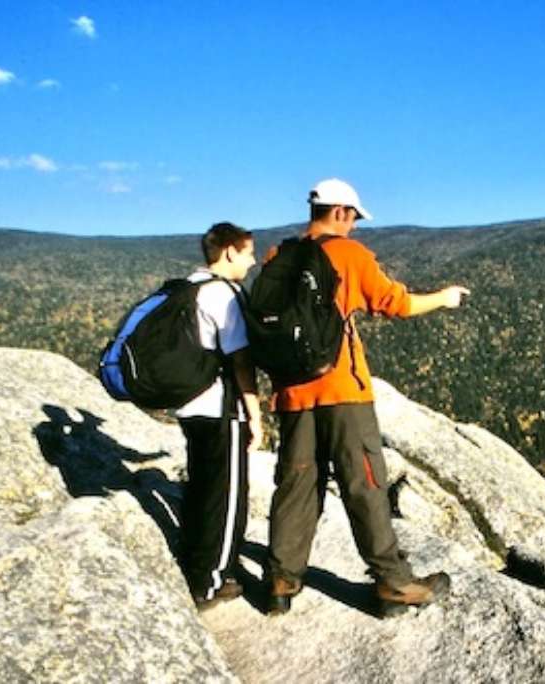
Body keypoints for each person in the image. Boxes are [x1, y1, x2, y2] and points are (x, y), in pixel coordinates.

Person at [265, 178, 469, 616]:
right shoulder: (349, 255)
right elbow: (396, 304)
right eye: (354, 217)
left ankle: (281, 582)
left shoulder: (277, 256)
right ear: (340, 212)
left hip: (291, 393)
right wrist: (445, 299)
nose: (355, 226)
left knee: (297, 482)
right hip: (342, 389)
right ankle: (393, 583)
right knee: (364, 482)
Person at [176, 222, 263, 610]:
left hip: (189, 406)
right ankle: (211, 581)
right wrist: (255, 413)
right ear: (229, 252)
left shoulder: (187, 287)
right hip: (219, 407)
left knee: (200, 488)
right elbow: (240, 360)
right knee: (226, 498)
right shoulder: (224, 296)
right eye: (248, 252)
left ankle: (192, 564)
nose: (253, 260)